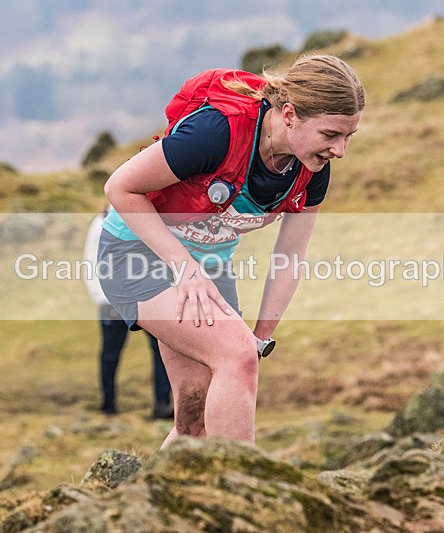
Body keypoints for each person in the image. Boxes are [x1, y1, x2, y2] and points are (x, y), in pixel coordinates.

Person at [97, 54, 365, 447]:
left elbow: (290, 256)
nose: (339, 150)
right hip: (136, 252)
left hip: (209, 268)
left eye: (348, 137)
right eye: (330, 135)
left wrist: (261, 334)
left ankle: (140, 503)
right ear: (289, 114)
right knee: (235, 357)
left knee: (195, 421)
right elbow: (119, 188)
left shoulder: (312, 171)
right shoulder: (217, 132)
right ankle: (245, 496)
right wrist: (186, 270)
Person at [84, 208, 173, 419]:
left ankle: (162, 405)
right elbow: (91, 262)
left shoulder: (147, 219)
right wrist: (101, 298)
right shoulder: (101, 223)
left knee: (162, 349)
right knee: (110, 354)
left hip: (147, 299)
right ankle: (108, 405)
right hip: (112, 303)